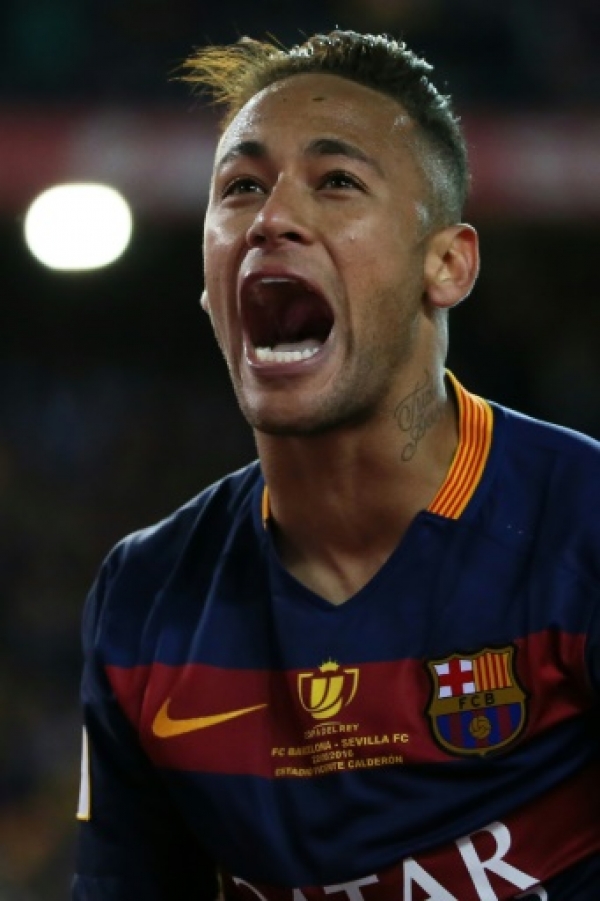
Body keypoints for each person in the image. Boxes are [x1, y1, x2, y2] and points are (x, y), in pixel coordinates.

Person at [71, 30, 600, 901]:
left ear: (447, 264)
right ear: (209, 284)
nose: (271, 217)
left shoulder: (578, 531)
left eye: (338, 182)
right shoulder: (144, 600)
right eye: (241, 188)